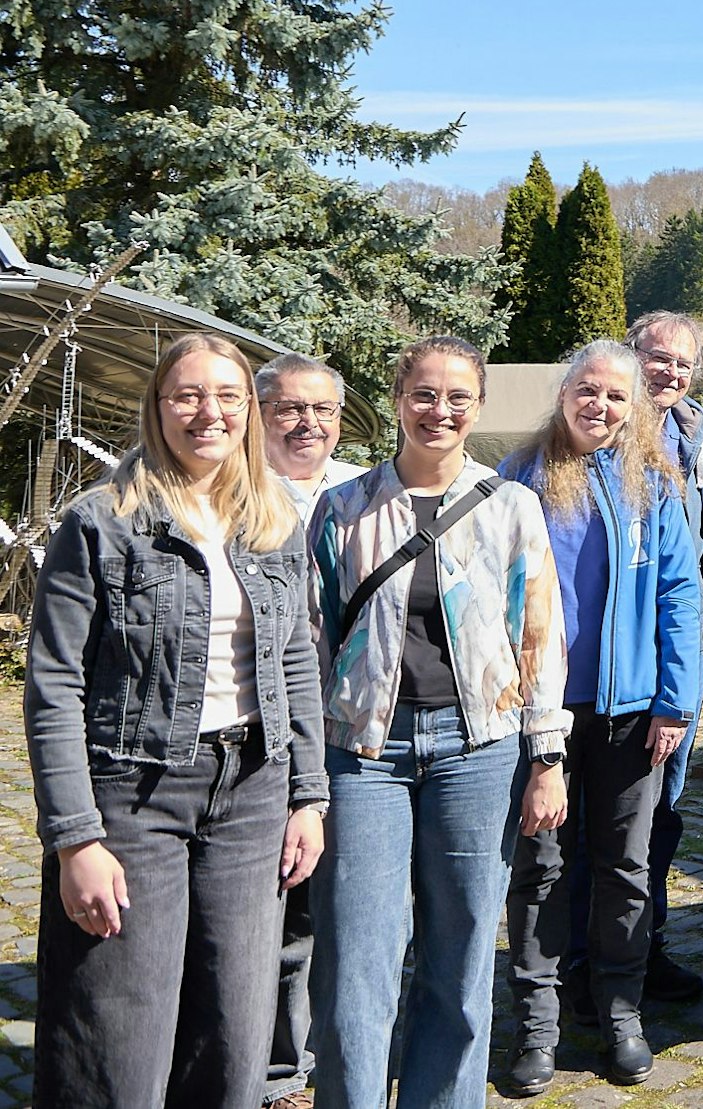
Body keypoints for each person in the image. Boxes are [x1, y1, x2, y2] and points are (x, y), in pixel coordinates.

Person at [25, 333, 327, 1107]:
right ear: (157, 409)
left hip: (253, 792)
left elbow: (296, 662)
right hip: (133, 790)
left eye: (227, 396)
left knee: (231, 1029)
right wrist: (75, 838)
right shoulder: (100, 522)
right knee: (118, 1032)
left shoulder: (273, 520)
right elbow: (54, 682)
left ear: (248, 413)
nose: (209, 412)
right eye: (187, 395)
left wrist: (309, 796)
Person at [308, 336, 570, 1109]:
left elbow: (539, 635)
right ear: (397, 398)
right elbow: (314, 636)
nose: (440, 410)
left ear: (477, 407)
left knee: (460, 957)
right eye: (424, 393)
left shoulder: (510, 505)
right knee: (359, 958)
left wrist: (546, 754)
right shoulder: (343, 507)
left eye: (458, 397)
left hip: (477, 751)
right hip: (364, 752)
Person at [500, 341, 703, 1093]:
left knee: (626, 866)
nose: (601, 406)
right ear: (564, 393)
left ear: (637, 407)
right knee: (544, 869)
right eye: (588, 390)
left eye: (618, 397)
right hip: (542, 712)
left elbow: (683, 596)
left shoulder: (653, 481)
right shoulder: (519, 476)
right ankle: (538, 1025)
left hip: (633, 714)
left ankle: (621, 1010)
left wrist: (678, 701)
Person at [254, 351, 365, 1109]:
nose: (309, 423)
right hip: (264, 737)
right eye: (291, 408)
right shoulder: (232, 492)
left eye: (323, 410)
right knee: (281, 905)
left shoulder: (363, 491)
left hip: (354, 732)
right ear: (259, 415)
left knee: (353, 901)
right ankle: (278, 1067)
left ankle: (348, 1046)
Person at [628, 310, 703, 1003]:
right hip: (621, 646)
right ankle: (594, 954)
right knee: (610, 808)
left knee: (667, 803)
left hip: (682, 646)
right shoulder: (599, 419)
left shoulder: (699, 429)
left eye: (681, 363)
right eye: (656, 357)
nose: (668, 372)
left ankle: (647, 942)